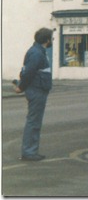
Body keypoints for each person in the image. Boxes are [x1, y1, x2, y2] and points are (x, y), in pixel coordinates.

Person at [14, 27, 53, 161]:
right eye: (51, 38)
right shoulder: (37, 53)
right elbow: (29, 72)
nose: (52, 40)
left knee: (34, 121)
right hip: (37, 90)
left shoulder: (37, 51)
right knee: (34, 121)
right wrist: (21, 87)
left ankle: (30, 150)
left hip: (37, 89)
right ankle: (29, 152)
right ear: (47, 40)